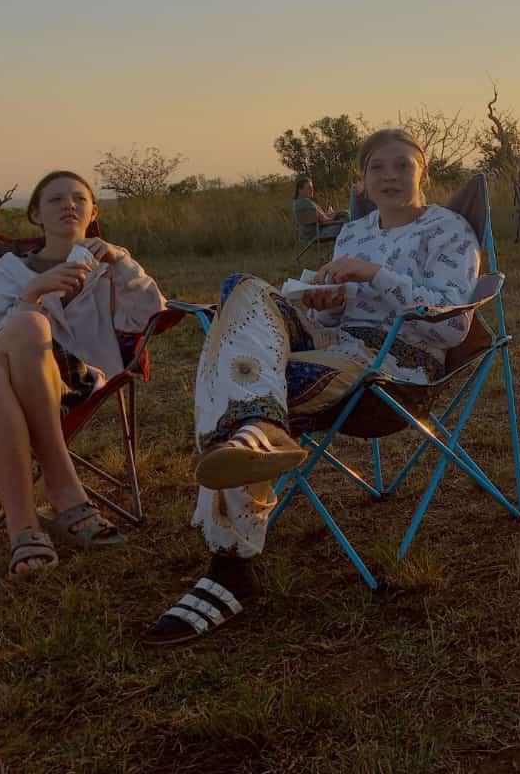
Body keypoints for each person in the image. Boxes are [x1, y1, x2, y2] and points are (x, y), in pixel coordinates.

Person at [146, 129, 480, 646]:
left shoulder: (449, 230)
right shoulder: (353, 232)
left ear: (424, 173)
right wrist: (326, 300)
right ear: (363, 179)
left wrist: (375, 274)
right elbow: (343, 307)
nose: (390, 176)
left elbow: (452, 325)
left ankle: (230, 565)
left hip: (394, 366)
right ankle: (257, 431)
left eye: (402, 166)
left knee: (238, 383)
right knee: (244, 288)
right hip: (336, 343)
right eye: (377, 168)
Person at [0, 170, 166, 578]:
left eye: (78, 198)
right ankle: (62, 489)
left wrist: (121, 263)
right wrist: (31, 294)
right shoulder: (3, 274)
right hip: (16, 376)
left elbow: (151, 315)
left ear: (93, 211)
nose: (68, 205)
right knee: (16, 339)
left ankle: (25, 526)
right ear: (36, 214)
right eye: (55, 199)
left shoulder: (111, 267)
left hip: (79, 379)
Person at [292, 176, 349, 245]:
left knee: (344, 214)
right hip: (318, 233)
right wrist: (337, 217)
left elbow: (317, 219)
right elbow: (325, 220)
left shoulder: (296, 203)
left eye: (312, 187)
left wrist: (331, 215)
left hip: (305, 235)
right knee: (347, 222)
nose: (312, 190)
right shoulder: (306, 203)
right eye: (309, 188)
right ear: (300, 189)